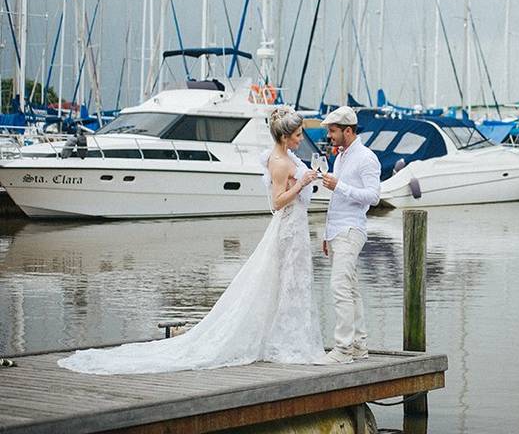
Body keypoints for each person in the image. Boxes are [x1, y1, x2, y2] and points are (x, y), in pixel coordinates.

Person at [58, 106, 326, 374]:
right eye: (299, 135)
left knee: (293, 282)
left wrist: (306, 179)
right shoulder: (279, 162)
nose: (301, 139)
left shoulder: (287, 156)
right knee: (288, 281)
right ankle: (286, 341)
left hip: (297, 227)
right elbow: (277, 203)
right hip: (289, 227)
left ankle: (287, 338)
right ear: (285, 137)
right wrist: (301, 184)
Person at [318, 106, 381, 364]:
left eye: (333, 131)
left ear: (347, 130)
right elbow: (337, 202)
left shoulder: (366, 158)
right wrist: (326, 233)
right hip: (337, 230)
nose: (330, 136)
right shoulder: (341, 156)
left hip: (352, 229)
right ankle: (358, 345)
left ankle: (342, 349)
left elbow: (374, 196)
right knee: (351, 288)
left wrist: (339, 185)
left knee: (340, 287)